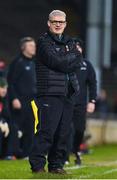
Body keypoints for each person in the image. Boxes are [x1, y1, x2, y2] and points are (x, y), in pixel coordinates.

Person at [29, 10, 82, 174]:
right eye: (54, 21)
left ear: (65, 24)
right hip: (49, 93)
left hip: (68, 93)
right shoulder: (43, 42)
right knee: (46, 131)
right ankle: (37, 165)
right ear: (48, 23)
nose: (58, 24)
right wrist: (70, 57)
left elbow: (78, 61)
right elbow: (56, 62)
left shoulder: (70, 41)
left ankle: (56, 165)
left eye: (61, 22)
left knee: (63, 133)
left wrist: (67, 59)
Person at [7, 37, 37, 158]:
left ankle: (26, 153)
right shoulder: (17, 62)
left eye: (34, 46)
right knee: (17, 128)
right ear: (23, 48)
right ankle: (11, 153)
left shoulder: (33, 63)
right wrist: (14, 98)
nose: (33, 48)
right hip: (19, 101)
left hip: (32, 101)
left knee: (30, 128)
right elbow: (10, 82)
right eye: (30, 46)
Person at [71, 38, 97, 165]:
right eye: (74, 47)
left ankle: (76, 150)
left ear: (81, 49)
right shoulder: (64, 64)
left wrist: (92, 101)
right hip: (66, 102)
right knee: (64, 130)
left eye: (78, 47)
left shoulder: (87, 65)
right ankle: (63, 156)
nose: (77, 49)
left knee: (79, 130)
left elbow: (93, 84)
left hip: (80, 104)